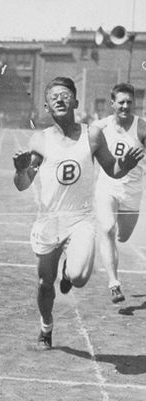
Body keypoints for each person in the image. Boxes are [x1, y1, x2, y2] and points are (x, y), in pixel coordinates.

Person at [12, 77, 143, 350]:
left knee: (80, 276)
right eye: (54, 97)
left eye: (65, 95)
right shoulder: (40, 139)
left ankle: (69, 274)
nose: (60, 99)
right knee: (44, 284)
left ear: (76, 101)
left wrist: (125, 165)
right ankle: (46, 328)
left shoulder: (92, 134)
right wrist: (20, 170)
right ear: (47, 106)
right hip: (49, 220)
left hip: (80, 218)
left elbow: (113, 170)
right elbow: (23, 184)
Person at [92, 83, 146, 303]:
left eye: (129, 102)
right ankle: (114, 283)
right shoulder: (100, 127)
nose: (125, 106)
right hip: (107, 187)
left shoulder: (142, 128)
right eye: (121, 102)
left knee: (123, 236)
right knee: (107, 229)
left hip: (132, 190)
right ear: (112, 103)